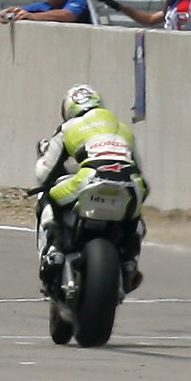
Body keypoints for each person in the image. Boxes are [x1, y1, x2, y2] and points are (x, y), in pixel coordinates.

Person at [31, 84, 149, 295]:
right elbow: (138, 168)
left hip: (89, 179)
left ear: (68, 108)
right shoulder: (122, 127)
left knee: (46, 195)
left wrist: (43, 153)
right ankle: (130, 261)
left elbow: (43, 174)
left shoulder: (68, 128)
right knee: (137, 216)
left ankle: (54, 251)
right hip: (130, 184)